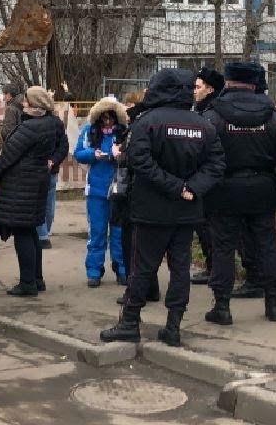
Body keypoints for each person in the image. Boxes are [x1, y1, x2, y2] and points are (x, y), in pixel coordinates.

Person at [100, 68, 225, 347]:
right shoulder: (202, 124)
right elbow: (216, 165)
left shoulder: (147, 122)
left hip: (152, 209)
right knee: (180, 268)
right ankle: (173, 327)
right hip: (186, 210)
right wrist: (190, 188)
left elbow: (139, 161)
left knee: (142, 267)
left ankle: (129, 322)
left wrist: (175, 187)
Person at [201, 62, 276, 326]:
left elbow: (202, 157)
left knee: (222, 247)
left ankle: (222, 306)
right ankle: (273, 302)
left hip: (224, 191)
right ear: (254, 84)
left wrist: (201, 191)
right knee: (266, 243)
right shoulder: (273, 117)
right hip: (262, 190)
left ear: (228, 82)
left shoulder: (213, 116)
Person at [0, 86, 57, 297]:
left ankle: (28, 282)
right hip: (35, 184)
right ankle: (36, 278)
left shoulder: (29, 128)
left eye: (26, 100)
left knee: (23, 234)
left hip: (21, 188)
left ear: (35, 104)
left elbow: (7, 157)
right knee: (31, 232)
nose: (23, 103)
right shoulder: (51, 123)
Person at [74, 97, 129, 287]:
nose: (107, 122)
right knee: (97, 232)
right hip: (96, 191)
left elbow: (133, 155)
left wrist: (120, 154)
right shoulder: (90, 131)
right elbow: (78, 153)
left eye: (111, 117)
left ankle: (122, 268)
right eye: (104, 118)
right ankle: (94, 270)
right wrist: (93, 155)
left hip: (119, 190)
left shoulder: (123, 132)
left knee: (119, 232)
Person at [113, 90, 161, 306]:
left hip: (133, 193)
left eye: (128, 104)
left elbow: (134, 158)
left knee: (132, 244)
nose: (125, 108)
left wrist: (119, 152)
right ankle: (150, 288)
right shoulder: (153, 123)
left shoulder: (139, 126)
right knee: (145, 245)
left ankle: (135, 292)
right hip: (147, 194)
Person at [189, 67, 225, 285]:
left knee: (210, 227)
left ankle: (215, 269)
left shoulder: (211, 114)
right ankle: (212, 267)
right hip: (205, 178)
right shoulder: (202, 111)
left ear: (210, 89)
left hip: (210, 180)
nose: (194, 91)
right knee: (203, 226)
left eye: (198, 87)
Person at [37, 104, 69, 249]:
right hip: (51, 168)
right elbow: (64, 145)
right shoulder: (57, 122)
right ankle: (45, 232)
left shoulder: (32, 121)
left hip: (38, 168)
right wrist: (54, 160)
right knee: (49, 202)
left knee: (40, 201)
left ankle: (42, 235)